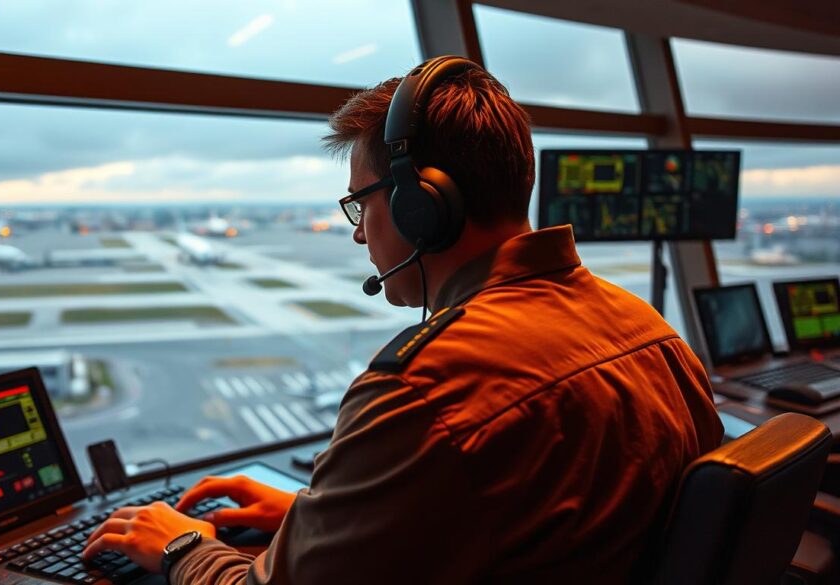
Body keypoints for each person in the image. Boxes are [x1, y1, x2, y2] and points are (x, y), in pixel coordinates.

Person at [82, 57, 724, 584]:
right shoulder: (650, 332)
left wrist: (181, 546)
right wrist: (321, 520)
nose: (360, 235)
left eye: (361, 204)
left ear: (423, 205)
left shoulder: (424, 386)